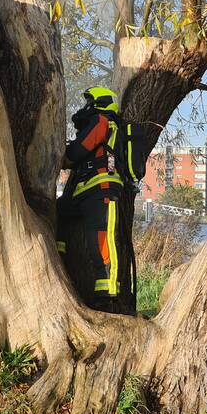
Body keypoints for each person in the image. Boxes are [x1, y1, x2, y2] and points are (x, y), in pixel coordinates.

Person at [56, 87, 135, 315]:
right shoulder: (100, 123)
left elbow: (79, 150)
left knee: (102, 238)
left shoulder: (103, 121)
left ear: (100, 103)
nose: (86, 107)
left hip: (102, 189)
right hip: (85, 191)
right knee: (60, 209)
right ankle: (58, 255)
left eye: (90, 101)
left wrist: (66, 154)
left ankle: (108, 292)